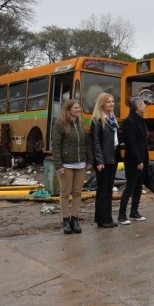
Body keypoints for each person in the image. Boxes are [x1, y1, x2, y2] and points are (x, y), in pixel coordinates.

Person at [51, 100, 93, 234]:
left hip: (81, 164)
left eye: (79, 107)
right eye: (76, 108)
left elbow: (87, 143)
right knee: (65, 193)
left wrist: (89, 160)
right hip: (66, 164)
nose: (79, 109)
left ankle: (74, 219)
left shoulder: (80, 124)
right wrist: (59, 165)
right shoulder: (59, 125)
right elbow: (56, 146)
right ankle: (65, 220)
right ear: (68, 110)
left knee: (77, 192)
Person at [90, 92, 121, 228]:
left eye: (113, 101)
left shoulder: (113, 119)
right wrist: (99, 160)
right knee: (102, 190)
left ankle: (108, 217)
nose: (112, 104)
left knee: (109, 189)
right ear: (102, 103)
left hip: (113, 156)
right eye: (109, 102)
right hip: (103, 158)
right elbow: (95, 142)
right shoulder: (97, 120)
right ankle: (101, 219)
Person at [118, 97, 149, 224]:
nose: (145, 106)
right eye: (143, 104)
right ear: (137, 107)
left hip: (142, 158)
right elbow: (131, 143)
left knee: (138, 187)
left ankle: (134, 211)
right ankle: (121, 215)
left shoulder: (141, 120)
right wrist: (138, 161)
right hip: (133, 160)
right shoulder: (129, 122)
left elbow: (143, 141)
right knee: (130, 187)